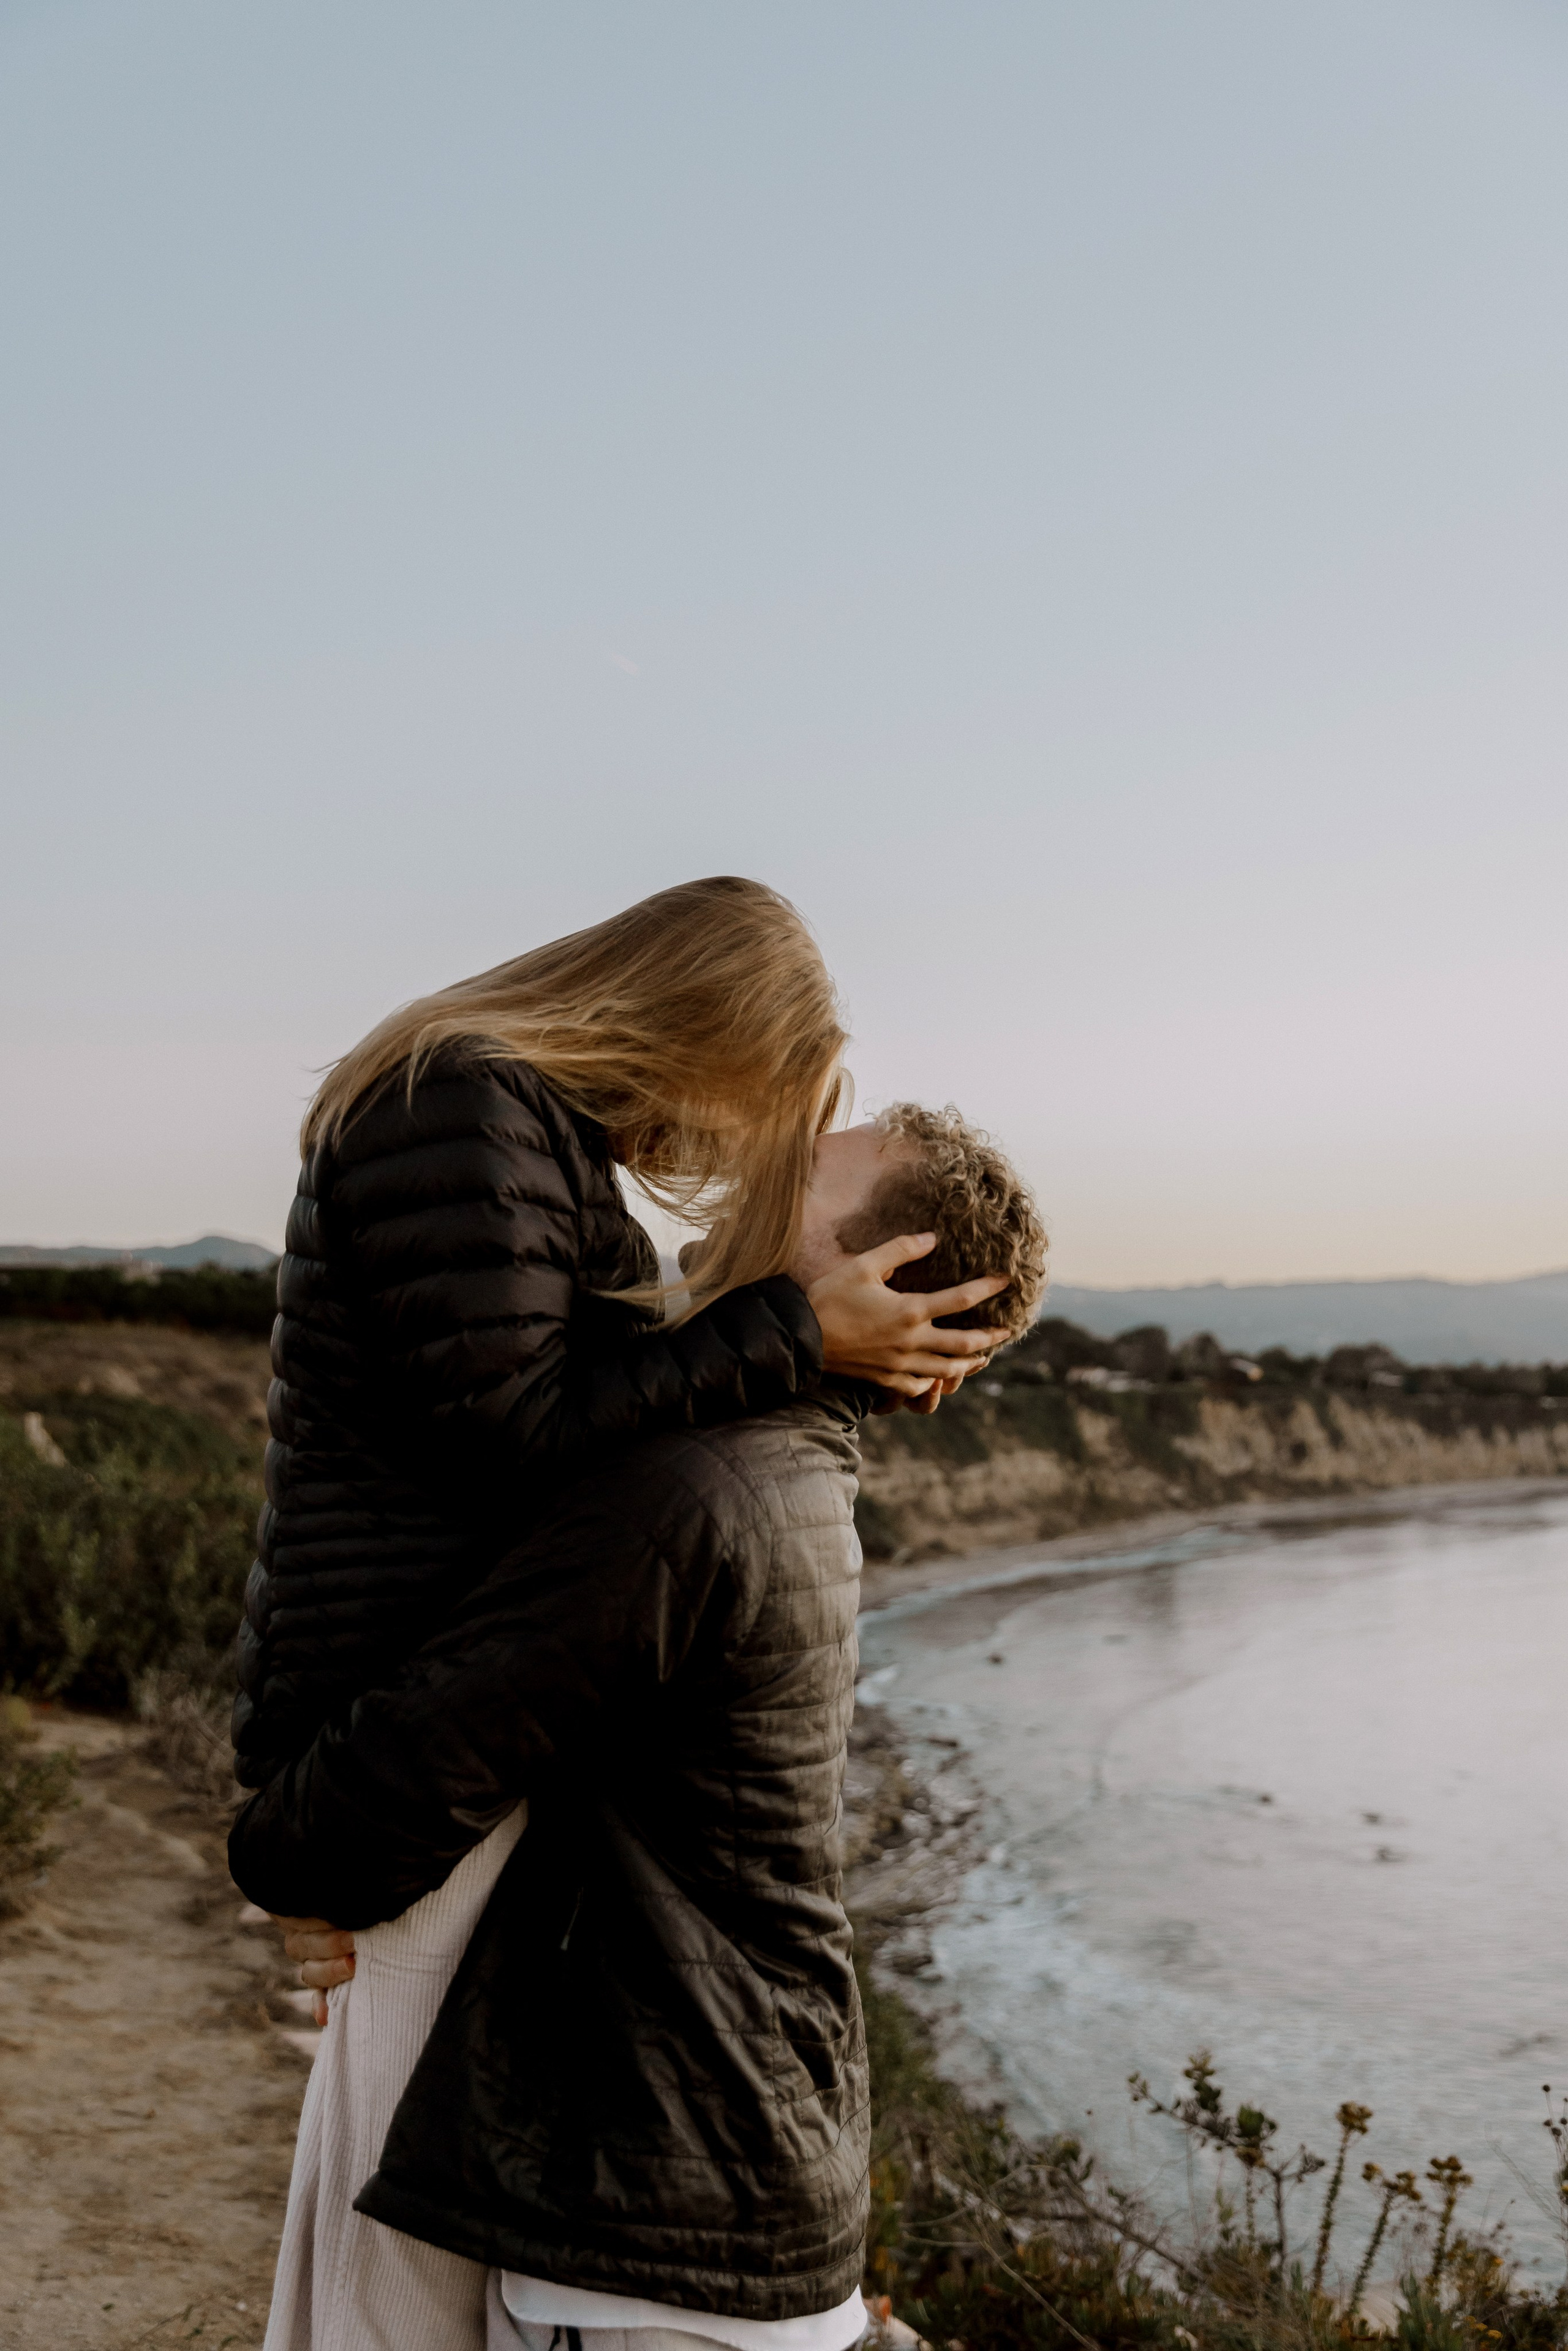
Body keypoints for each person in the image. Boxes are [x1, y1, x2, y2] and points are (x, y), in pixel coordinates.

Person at [230, 1103, 1047, 2351]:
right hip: (721, 2161)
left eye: (805, 1169)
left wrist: (290, 1862)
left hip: (660, 2222)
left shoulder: (694, 1488)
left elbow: (410, 1765)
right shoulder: (780, 1465)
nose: (762, 1157)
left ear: (879, 1276)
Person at [234, 877, 1010, 1794]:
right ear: (696, 1032)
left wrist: (842, 1359)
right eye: (755, 1102)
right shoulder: (465, 1107)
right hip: (382, 1708)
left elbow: (591, 1393)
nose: (741, 1151)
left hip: (430, 1685)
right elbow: (515, 1438)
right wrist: (800, 1334)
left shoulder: (531, 1129)